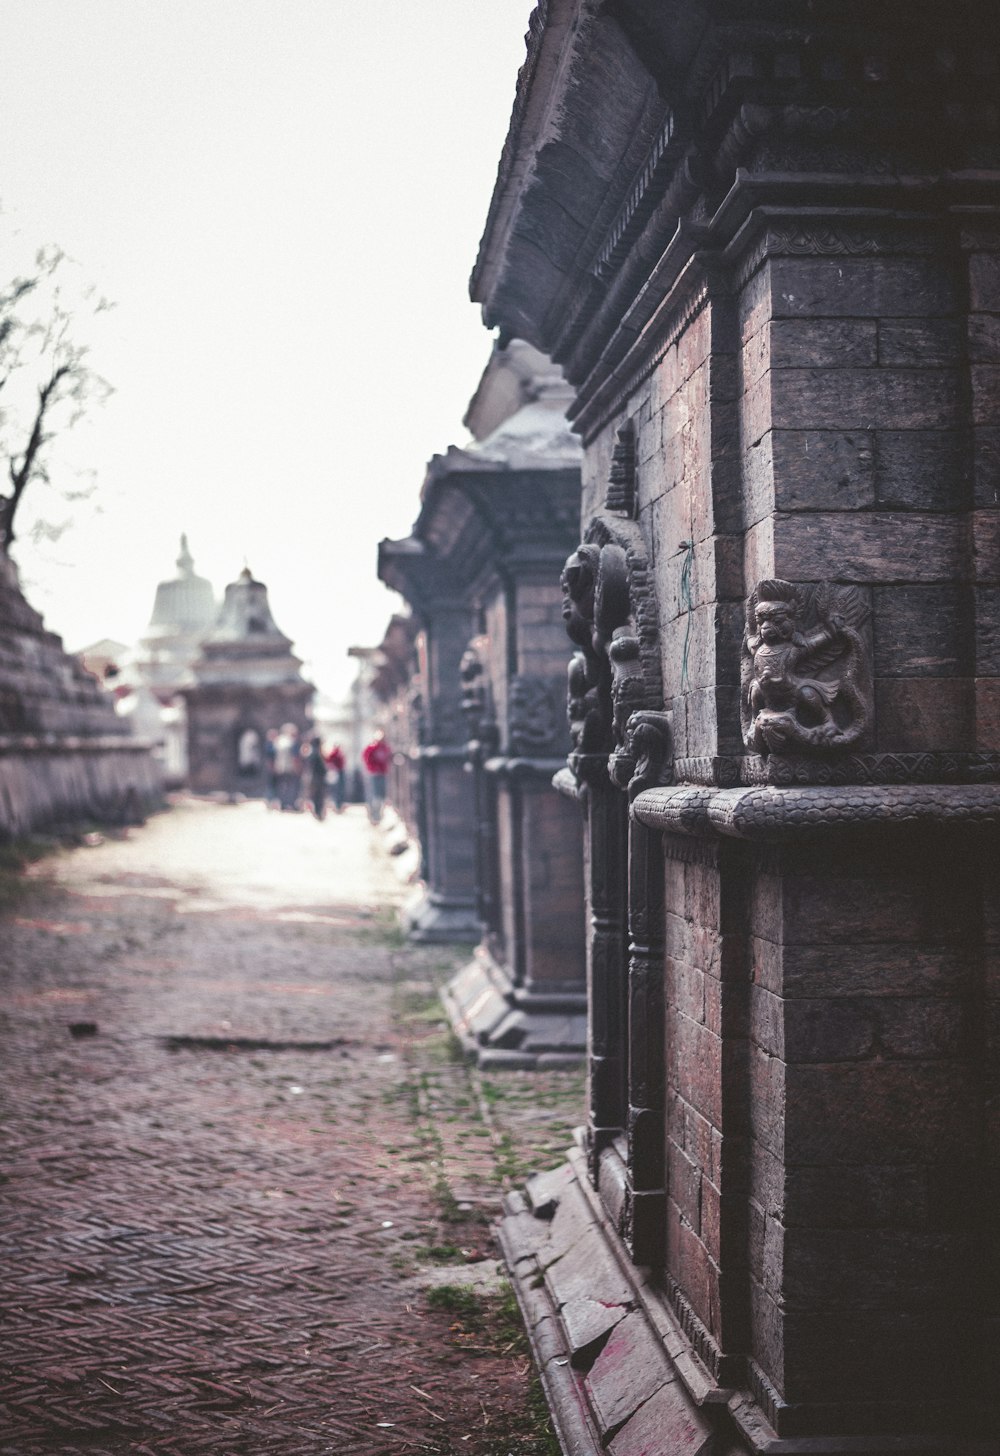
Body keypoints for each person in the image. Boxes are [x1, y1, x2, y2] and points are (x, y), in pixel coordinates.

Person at [361, 730, 391, 824]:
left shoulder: (385, 748)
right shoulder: (371, 748)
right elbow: (366, 758)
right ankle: (373, 815)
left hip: (382, 773)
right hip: (374, 774)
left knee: (381, 795)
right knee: (374, 794)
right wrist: (372, 768)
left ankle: (378, 815)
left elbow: (388, 757)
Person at [272, 723, 301, 811]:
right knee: (291, 786)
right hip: (290, 767)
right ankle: (290, 803)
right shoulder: (291, 742)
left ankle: (282, 803)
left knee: (282, 786)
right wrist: (297, 768)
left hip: (280, 767)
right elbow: (294, 757)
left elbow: (274, 756)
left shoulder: (278, 742)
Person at [302, 734, 327, 821]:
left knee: (316, 796)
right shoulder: (316, 753)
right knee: (318, 796)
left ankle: (318, 811)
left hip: (314, 777)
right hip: (317, 778)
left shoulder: (311, 752)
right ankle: (318, 812)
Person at [324, 741, 346, 814]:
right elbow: (328, 762)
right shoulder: (333, 754)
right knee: (336, 791)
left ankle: (339, 805)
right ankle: (336, 805)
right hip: (336, 773)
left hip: (340, 772)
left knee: (340, 790)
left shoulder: (340, 753)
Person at [263, 728, 279, 808]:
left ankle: (272, 802)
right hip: (271, 768)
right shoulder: (269, 745)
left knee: (273, 785)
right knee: (271, 785)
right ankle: (269, 801)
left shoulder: (273, 744)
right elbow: (269, 759)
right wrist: (272, 768)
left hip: (273, 767)